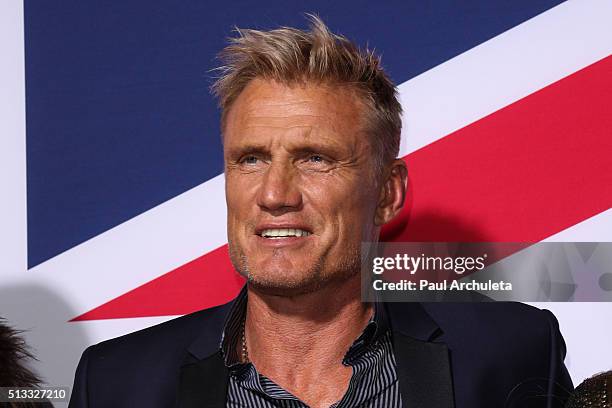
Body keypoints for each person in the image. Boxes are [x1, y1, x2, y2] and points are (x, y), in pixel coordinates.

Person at [68, 16, 573, 408]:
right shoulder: (117, 382)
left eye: (315, 159)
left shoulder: (514, 355)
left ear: (388, 192)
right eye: (251, 159)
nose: (274, 193)